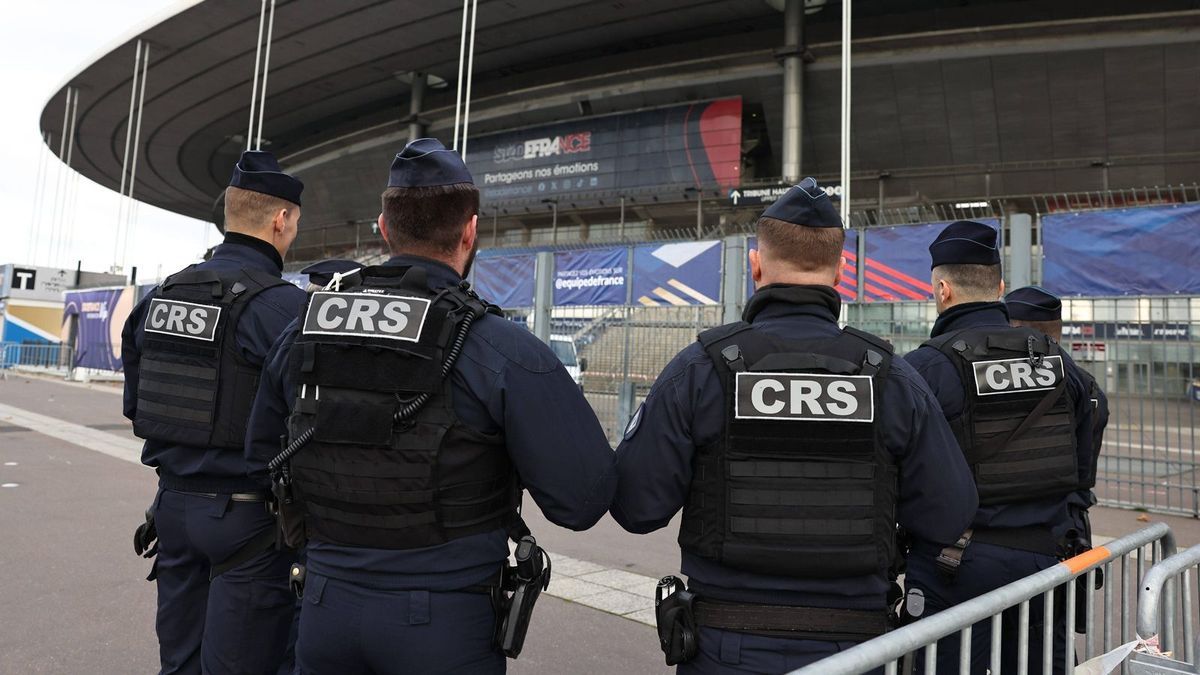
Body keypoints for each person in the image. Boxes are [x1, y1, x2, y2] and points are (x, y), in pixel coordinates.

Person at [245, 137, 617, 674]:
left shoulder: (302, 331)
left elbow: (262, 463)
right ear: (470, 232)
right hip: (445, 623)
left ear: (384, 228)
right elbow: (582, 501)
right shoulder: (499, 348)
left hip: (324, 610)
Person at [610, 178, 978, 673]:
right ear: (841, 271)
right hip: (858, 648)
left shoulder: (702, 369)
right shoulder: (891, 376)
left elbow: (637, 506)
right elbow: (949, 513)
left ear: (755, 264)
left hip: (724, 645)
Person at [123, 150, 306, 675]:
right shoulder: (284, 310)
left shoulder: (161, 296)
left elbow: (138, 405)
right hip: (251, 520)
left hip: (173, 510)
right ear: (280, 219)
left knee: (179, 664)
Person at [902, 223, 1096, 674]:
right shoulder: (1056, 359)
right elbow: (1086, 442)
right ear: (1001, 287)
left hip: (954, 565)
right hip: (1045, 560)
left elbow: (899, 470)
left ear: (943, 290)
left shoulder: (925, 367)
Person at [1007, 285, 1109, 571]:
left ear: (1013, 328)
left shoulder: (1009, 385)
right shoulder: (1088, 387)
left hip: (1013, 530)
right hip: (1069, 529)